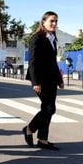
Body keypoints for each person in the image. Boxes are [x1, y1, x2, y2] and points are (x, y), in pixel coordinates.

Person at [23, 11, 64, 150]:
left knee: (47, 109)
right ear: (43, 22)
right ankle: (29, 129)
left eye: (56, 21)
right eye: (51, 21)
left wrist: (59, 80)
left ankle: (42, 140)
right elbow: (33, 62)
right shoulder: (37, 38)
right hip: (40, 80)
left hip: (51, 80)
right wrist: (35, 82)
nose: (54, 24)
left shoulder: (52, 38)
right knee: (49, 108)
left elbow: (53, 63)